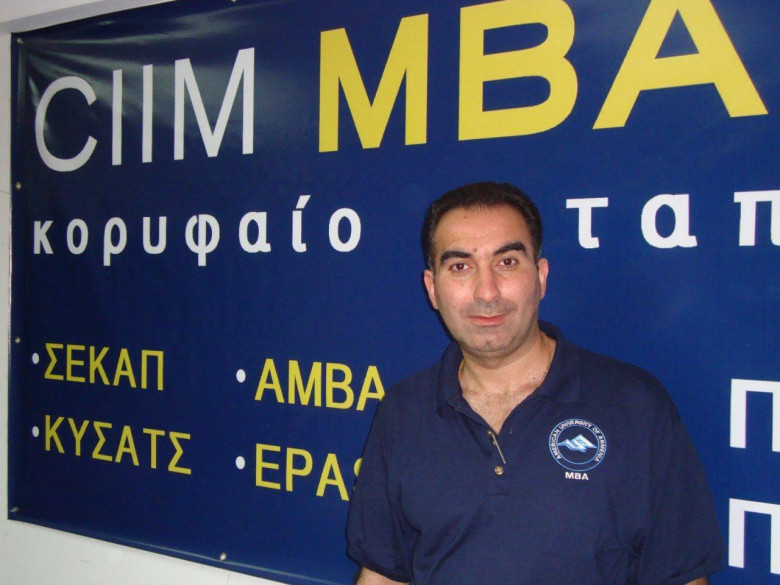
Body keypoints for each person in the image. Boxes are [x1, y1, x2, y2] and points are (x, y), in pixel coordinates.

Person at [346, 182, 724, 585]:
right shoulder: (403, 410)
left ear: (540, 277)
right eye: (460, 267)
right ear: (432, 288)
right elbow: (383, 574)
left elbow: (681, 577)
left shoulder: (635, 405)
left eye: (507, 262)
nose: (486, 291)